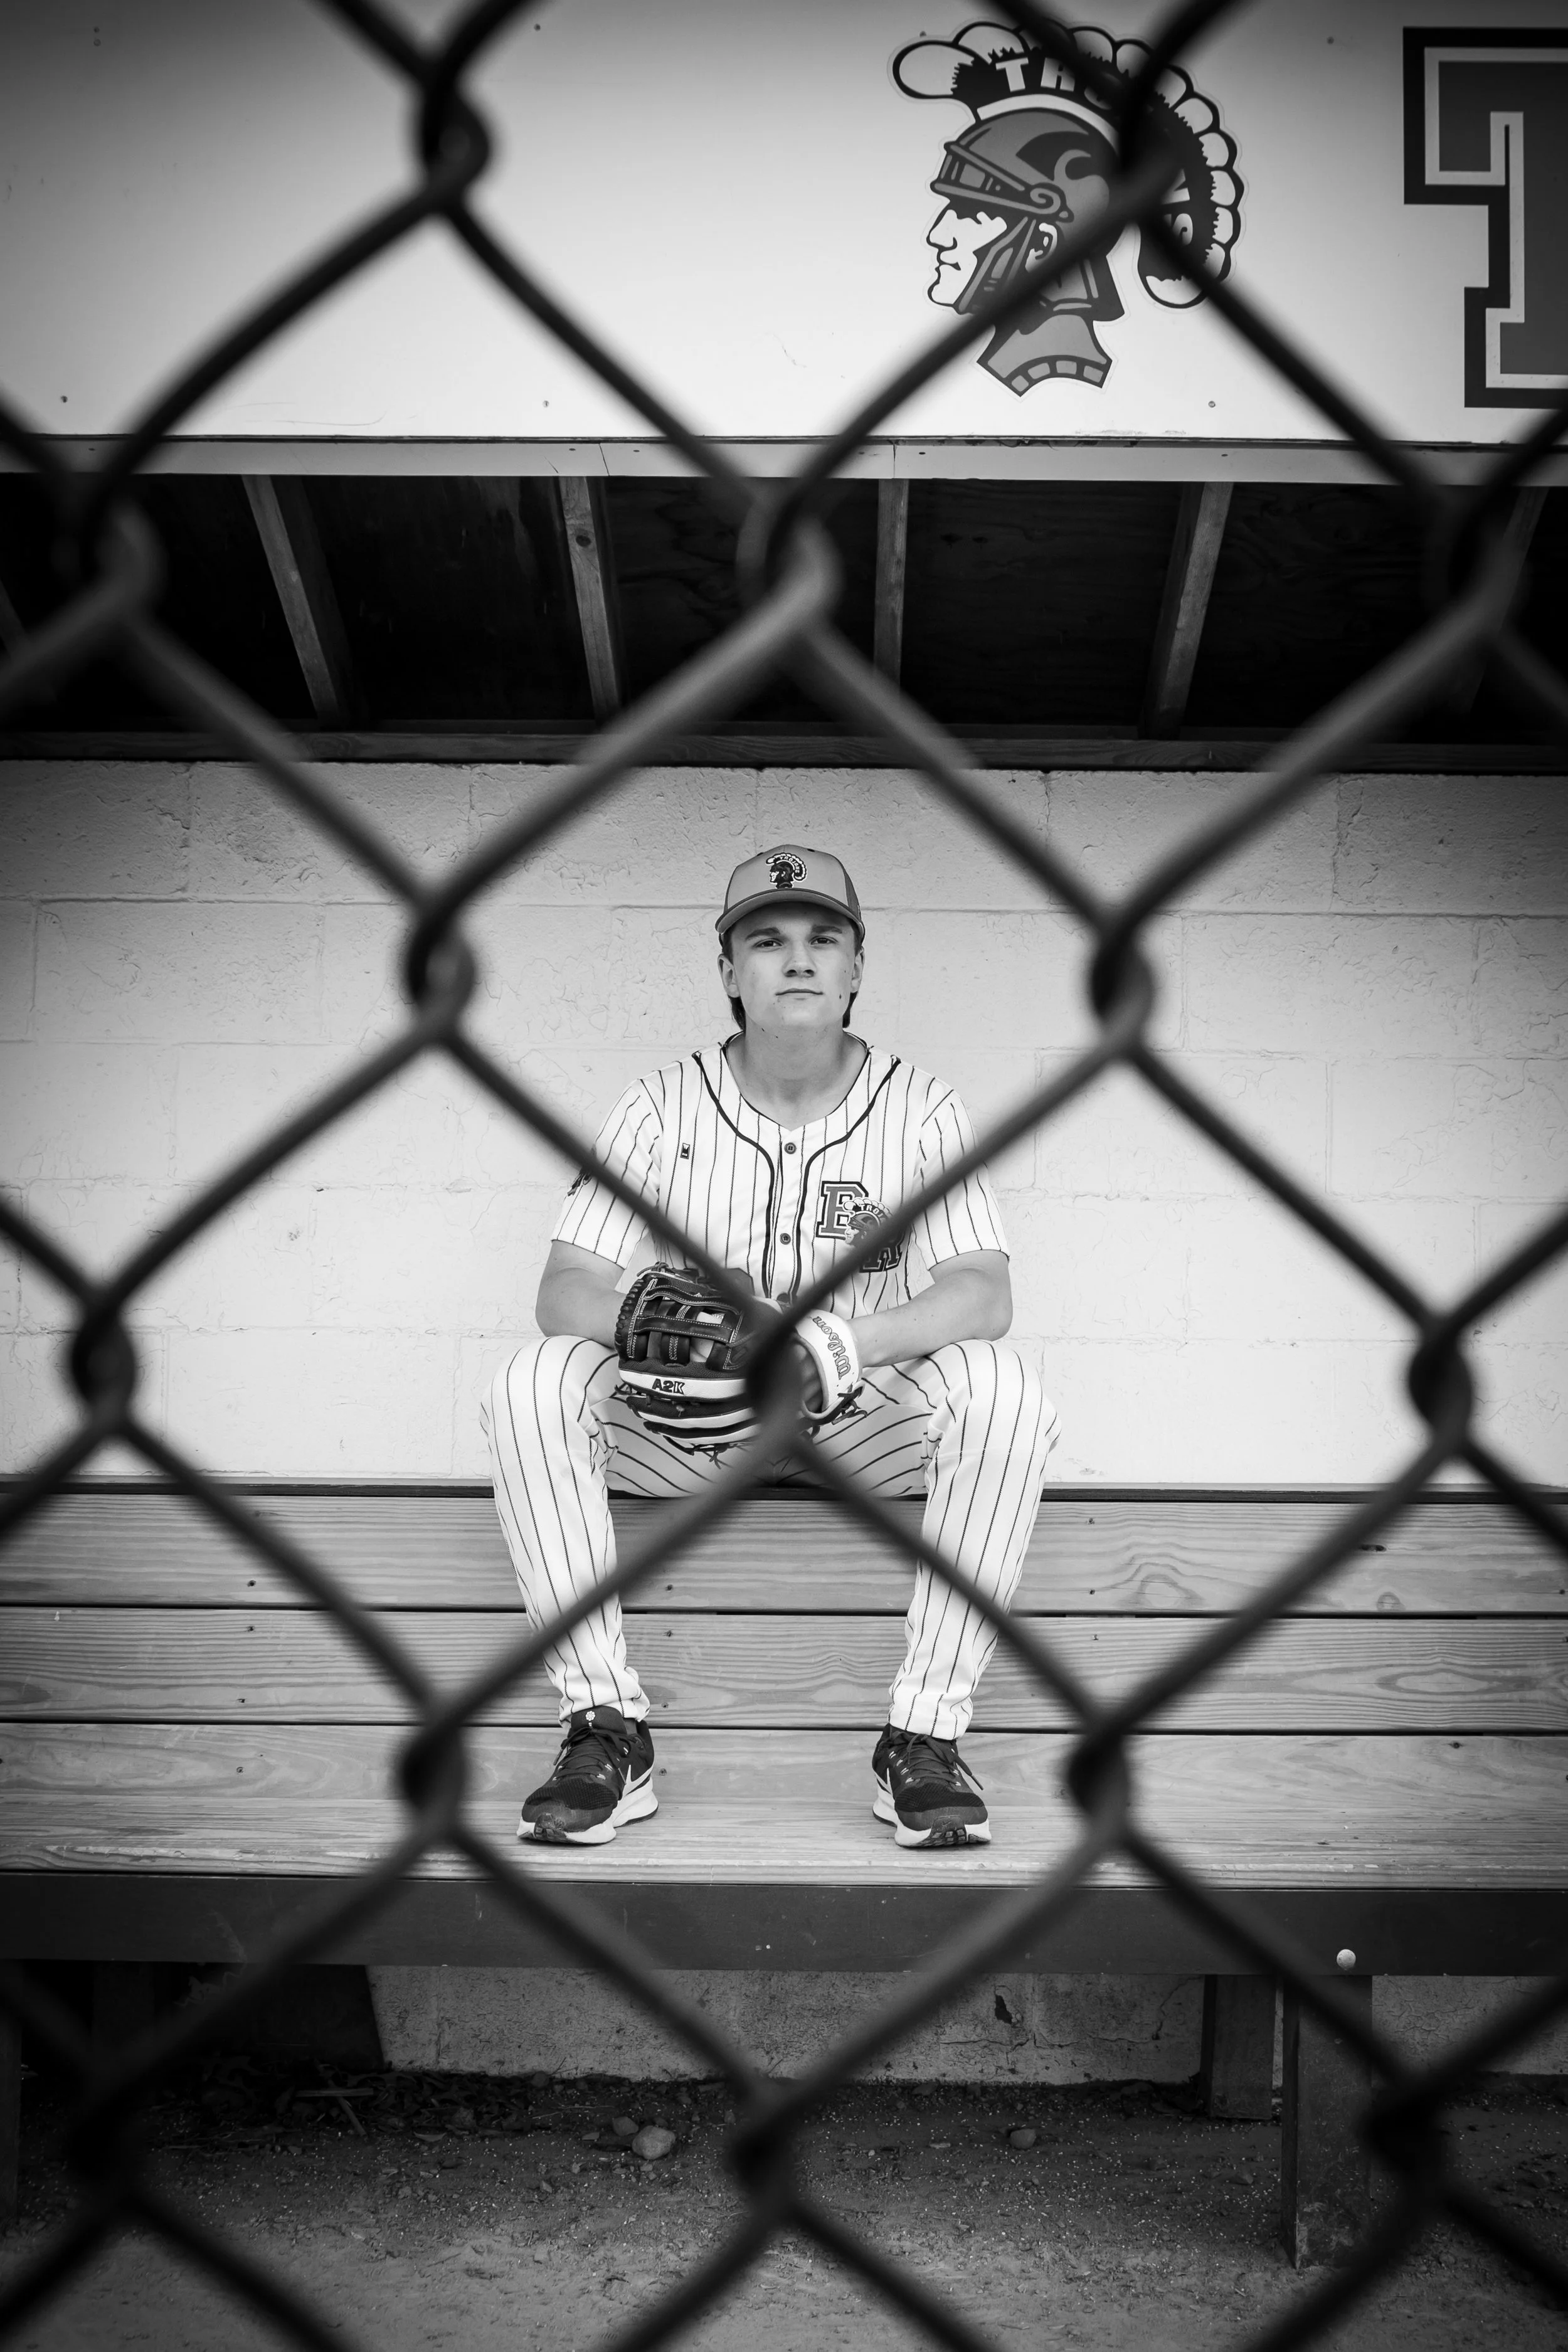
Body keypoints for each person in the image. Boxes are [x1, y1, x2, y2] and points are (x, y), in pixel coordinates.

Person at [482, 845, 1059, 1851]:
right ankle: (605, 1728)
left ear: (855, 967)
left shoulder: (921, 1105)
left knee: (1003, 1390)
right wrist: (656, 1316)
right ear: (729, 971)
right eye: (768, 938)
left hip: (860, 1422)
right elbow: (562, 1289)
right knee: (533, 1381)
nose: (797, 958)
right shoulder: (659, 1105)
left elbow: (984, 1291)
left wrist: (851, 1338)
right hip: (692, 1429)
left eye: (821, 937)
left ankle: (922, 1738)